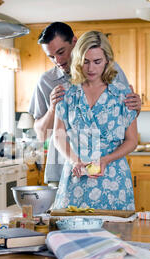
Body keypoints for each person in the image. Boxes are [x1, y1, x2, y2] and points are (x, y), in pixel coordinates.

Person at [28, 22, 141, 187]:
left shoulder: (111, 70)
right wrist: (53, 108)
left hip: (106, 169)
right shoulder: (47, 81)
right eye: (51, 57)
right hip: (62, 169)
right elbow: (41, 134)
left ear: (74, 42)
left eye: (61, 52)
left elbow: (126, 115)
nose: (58, 61)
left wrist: (137, 107)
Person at [52, 30, 138, 211]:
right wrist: (74, 160)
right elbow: (58, 136)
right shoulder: (66, 93)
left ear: (107, 60)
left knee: (115, 236)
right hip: (76, 178)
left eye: (97, 62)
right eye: (86, 62)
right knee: (71, 235)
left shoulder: (122, 94)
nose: (91, 68)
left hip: (113, 180)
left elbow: (132, 140)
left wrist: (106, 160)